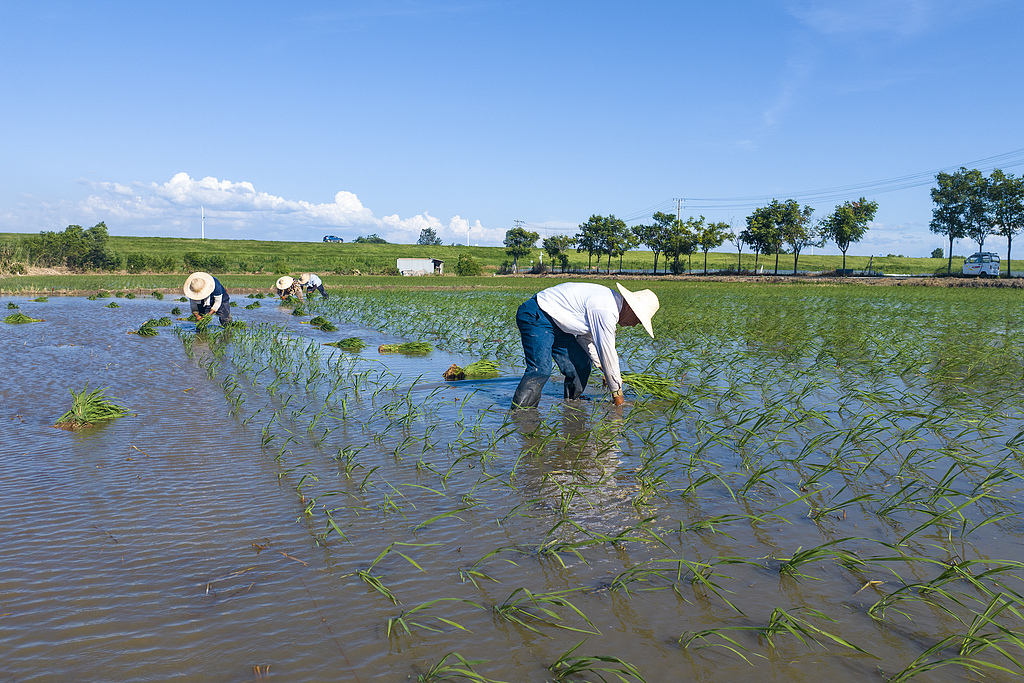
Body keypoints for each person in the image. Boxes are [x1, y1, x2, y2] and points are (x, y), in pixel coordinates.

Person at [511, 282, 660, 409]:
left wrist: (603, 367)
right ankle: (521, 414)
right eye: (638, 320)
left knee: (580, 364)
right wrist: (618, 399)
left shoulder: (609, 305)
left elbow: (585, 340)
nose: (634, 325)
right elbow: (607, 353)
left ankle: (570, 405)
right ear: (630, 308)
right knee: (541, 370)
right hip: (537, 314)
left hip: (557, 324)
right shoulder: (606, 310)